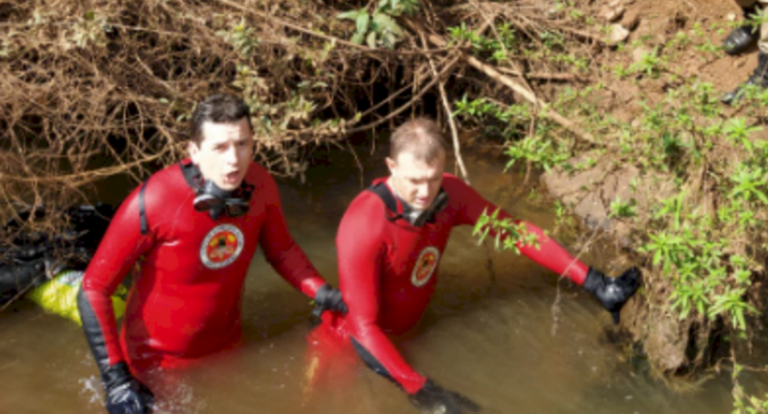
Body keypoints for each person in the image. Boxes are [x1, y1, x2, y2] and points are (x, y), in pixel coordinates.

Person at [316, 118, 641, 413]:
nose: (425, 192)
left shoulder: (450, 194)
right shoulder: (364, 224)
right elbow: (363, 328)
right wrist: (425, 392)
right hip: (349, 349)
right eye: (415, 180)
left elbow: (515, 232)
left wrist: (596, 282)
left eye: (433, 178)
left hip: (413, 333)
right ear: (391, 167)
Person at [77, 93, 347, 414]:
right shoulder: (154, 200)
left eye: (243, 144)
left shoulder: (261, 185)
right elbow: (94, 289)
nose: (233, 160)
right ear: (194, 151)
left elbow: (282, 250)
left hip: (229, 351)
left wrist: (323, 292)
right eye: (219, 148)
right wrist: (117, 380)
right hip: (155, 366)